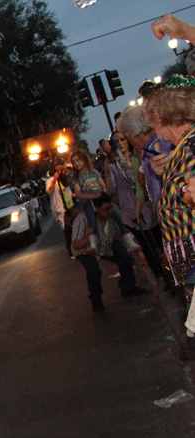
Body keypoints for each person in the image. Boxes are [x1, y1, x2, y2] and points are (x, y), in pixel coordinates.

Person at [143, 74, 195, 349]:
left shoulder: (192, 145)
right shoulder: (182, 148)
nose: (153, 130)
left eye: (152, 121)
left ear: (162, 118)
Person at [106, 128, 166, 282]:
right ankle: (159, 275)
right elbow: (110, 189)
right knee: (146, 245)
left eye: (122, 139)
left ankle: (169, 269)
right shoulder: (114, 166)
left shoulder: (137, 158)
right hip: (129, 208)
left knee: (160, 239)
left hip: (147, 205)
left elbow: (143, 183)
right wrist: (107, 171)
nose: (120, 143)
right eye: (117, 141)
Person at [70, 194, 147, 312]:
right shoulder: (82, 219)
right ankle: (96, 300)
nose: (109, 212)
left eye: (111, 208)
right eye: (105, 210)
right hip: (85, 250)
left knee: (124, 255)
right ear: (96, 209)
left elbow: (120, 235)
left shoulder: (112, 218)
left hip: (105, 246)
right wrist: (87, 239)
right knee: (93, 270)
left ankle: (128, 287)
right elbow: (75, 245)